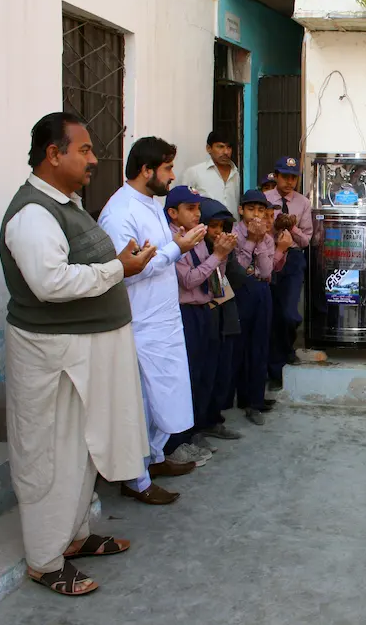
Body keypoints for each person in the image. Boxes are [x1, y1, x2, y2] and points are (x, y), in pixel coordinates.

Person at [1, 112, 156, 596]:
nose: (94, 159)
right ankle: (45, 559)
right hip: (54, 357)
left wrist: (119, 263)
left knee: (81, 450)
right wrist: (117, 269)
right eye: (84, 150)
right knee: (52, 453)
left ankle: (73, 538)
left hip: (80, 352)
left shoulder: (63, 203)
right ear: (53, 154)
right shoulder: (32, 214)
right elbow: (50, 284)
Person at [99, 136, 208, 506]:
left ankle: (155, 458)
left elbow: (156, 255)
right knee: (141, 402)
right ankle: (136, 478)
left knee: (167, 396)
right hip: (140, 322)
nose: (172, 175)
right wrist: (178, 248)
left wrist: (178, 242)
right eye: (167, 168)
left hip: (164, 318)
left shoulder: (151, 205)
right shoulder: (120, 212)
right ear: (147, 171)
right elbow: (127, 271)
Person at [165, 186, 238, 459]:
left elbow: (214, 277)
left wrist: (222, 253)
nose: (197, 215)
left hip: (205, 308)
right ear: (173, 213)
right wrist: (217, 256)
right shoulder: (173, 240)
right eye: (190, 209)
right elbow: (189, 280)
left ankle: (202, 426)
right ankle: (182, 439)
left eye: (198, 209)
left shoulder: (195, 237)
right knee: (191, 375)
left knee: (209, 371)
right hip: (185, 312)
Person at [231, 189, 292, 424]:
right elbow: (238, 268)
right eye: (250, 209)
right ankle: (240, 397)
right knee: (240, 345)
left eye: (260, 210)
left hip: (261, 289)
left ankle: (255, 400)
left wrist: (262, 241)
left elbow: (266, 271)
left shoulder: (267, 237)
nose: (256, 214)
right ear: (241, 210)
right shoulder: (234, 234)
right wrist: (250, 242)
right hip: (240, 291)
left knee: (260, 343)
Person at [197, 198, 247, 441]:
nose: (217, 232)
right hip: (204, 315)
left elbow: (236, 278)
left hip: (224, 312)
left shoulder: (226, 248)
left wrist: (225, 256)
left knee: (221, 370)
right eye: (212, 225)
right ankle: (197, 426)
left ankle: (213, 419)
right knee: (203, 371)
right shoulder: (195, 248)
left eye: (221, 226)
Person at [264, 156, 312, 385]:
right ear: (277, 176)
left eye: (294, 177)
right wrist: (274, 227)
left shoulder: (303, 203)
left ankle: (287, 347)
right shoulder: (264, 199)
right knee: (272, 312)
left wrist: (291, 227)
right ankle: (275, 365)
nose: (290, 181)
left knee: (289, 312)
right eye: (285, 176)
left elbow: (306, 241)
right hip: (269, 255)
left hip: (292, 258)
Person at [181, 131, 242, 216]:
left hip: (232, 228)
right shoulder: (194, 172)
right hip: (205, 227)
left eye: (229, 147)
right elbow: (183, 203)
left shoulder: (236, 173)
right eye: (220, 147)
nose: (226, 152)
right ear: (208, 148)